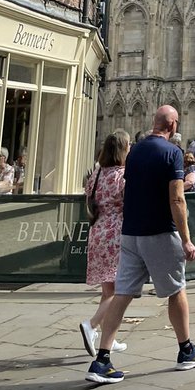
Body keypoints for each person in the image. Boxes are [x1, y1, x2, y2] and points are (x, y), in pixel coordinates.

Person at [84, 105, 195, 385]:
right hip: (159, 232)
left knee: (122, 293)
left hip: (130, 234)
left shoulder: (135, 152)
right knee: (177, 290)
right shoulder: (172, 153)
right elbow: (176, 200)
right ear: (173, 125)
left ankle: (102, 359)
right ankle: (186, 350)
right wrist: (187, 240)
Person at [80, 130, 131, 359]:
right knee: (119, 290)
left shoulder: (97, 175)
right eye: (128, 146)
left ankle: (109, 337)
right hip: (116, 235)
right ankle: (90, 325)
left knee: (108, 289)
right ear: (122, 150)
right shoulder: (123, 175)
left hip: (98, 232)